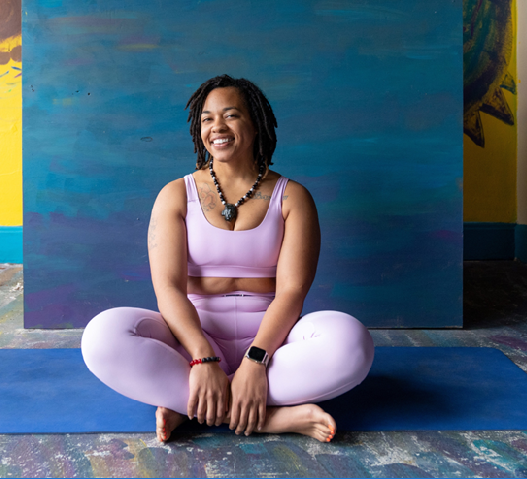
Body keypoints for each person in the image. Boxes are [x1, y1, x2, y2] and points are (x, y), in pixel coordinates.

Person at [81, 75, 374, 443]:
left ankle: (194, 408)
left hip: (275, 344)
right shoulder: (175, 195)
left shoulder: (292, 197)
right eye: (207, 118)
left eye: (231, 115)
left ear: (255, 124)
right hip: (191, 340)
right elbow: (168, 289)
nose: (216, 127)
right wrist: (202, 359)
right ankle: (272, 418)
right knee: (102, 336)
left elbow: (291, 293)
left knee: (352, 341)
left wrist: (256, 361)